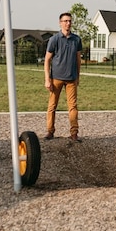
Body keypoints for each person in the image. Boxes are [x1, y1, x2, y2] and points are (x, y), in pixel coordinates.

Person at [43, 12, 83, 142]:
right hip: (56, 78)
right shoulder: (54, 39)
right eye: (65, 21)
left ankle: (74, 133)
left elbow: (78, 59)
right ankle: (50, 131)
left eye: (70, 21)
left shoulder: (76, 39)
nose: (68, 23)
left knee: (73, 107)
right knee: (52, 106)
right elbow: (47, 60)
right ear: (60, 23)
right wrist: (47, 79)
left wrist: (77, 76)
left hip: (71, 78)